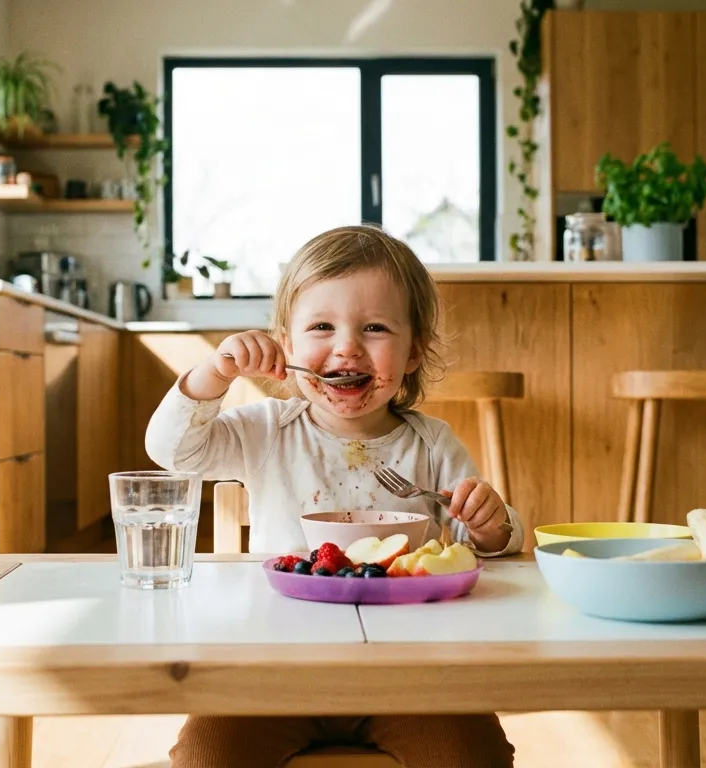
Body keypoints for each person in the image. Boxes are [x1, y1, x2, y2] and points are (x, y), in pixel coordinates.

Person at [146, 224, 521, 768]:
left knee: (474, 755)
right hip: (274, 665)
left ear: (414, 351)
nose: (346, 347)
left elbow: (483, 543)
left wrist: (490, 523)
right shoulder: (267, 430)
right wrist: (214, 372)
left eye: (374, 328)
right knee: (207, 756)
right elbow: (171, 450)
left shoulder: (432, 444)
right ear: (288, 346)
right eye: (322, 326)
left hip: (413, 671)